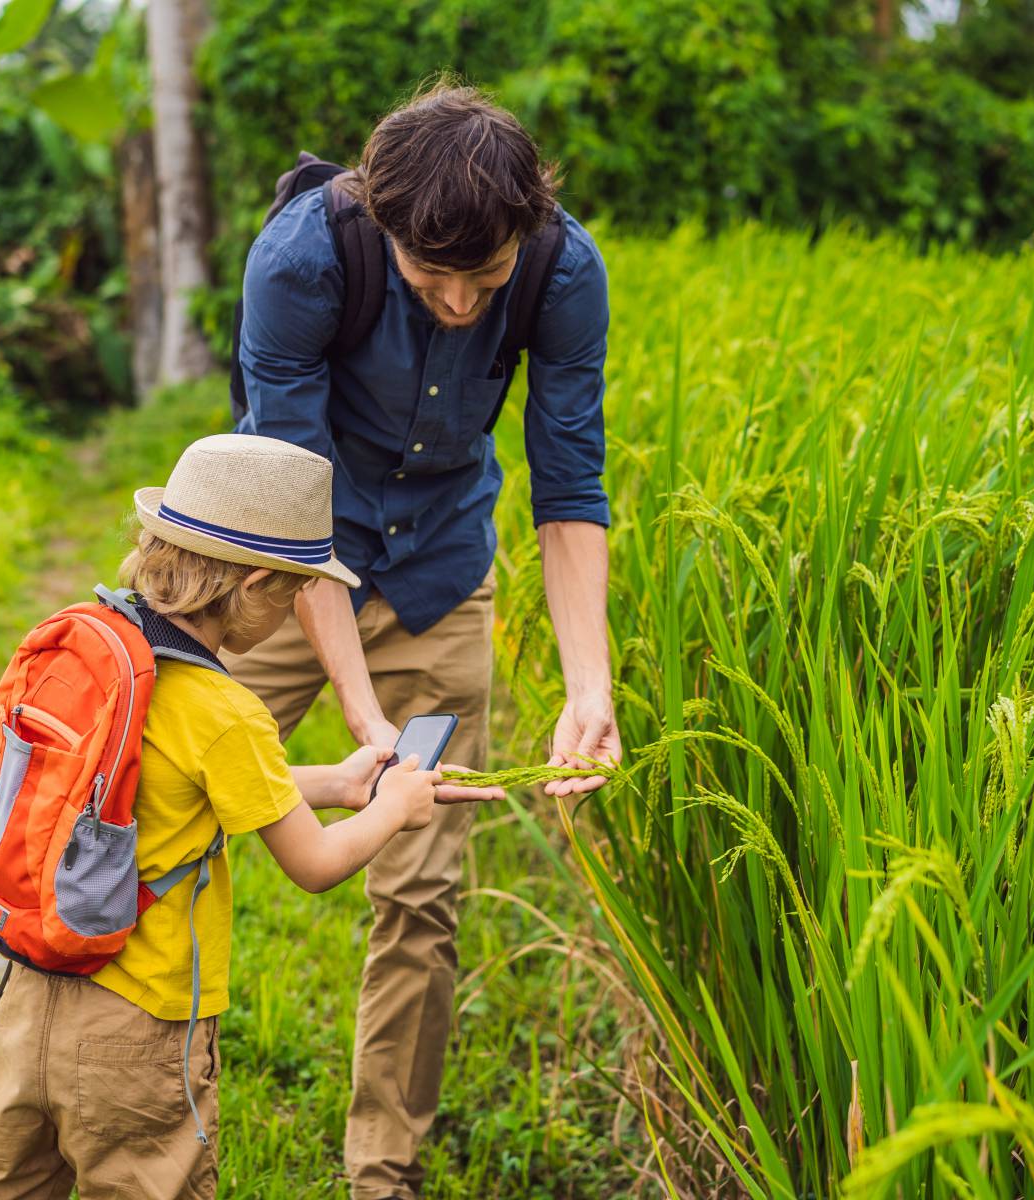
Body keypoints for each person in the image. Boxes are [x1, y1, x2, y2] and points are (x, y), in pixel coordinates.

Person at [230, 83, 618, 1199]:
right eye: (426, 276)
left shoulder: (563, 269)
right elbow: (293, 502)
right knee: (157, 799)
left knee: (421, 891)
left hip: (444, 575)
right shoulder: (303, 260)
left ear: (524, 237)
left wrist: (588, 686)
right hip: (284, 582)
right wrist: (365, 723)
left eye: (482, 280)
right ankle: (115, 1085)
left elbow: (569, 481)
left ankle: (381, 1174)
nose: (457, 302)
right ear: (383, 224)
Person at [0, 433, 504, 1200]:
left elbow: (170, 782)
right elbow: (316, 866)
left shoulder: (108, 654)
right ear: (256, 588)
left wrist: (339, 783)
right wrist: (397, 809)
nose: (299, 607)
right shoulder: (226, 710)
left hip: (30, 997)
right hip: (136, 1035)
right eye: (297, 591)